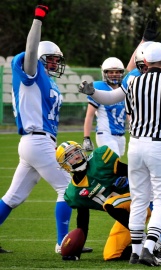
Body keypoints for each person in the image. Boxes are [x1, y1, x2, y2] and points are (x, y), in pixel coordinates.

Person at [78, 42, 161, 266]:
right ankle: (148, 247)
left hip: (136, 144)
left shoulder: (134, 82)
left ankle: (136, 252)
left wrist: (93, 91)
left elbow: (110, 98)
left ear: (144, 63)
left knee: (139, 199)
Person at [0, 4, 73, 254]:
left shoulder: (46, 80)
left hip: (38, 143)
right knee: (68, 189)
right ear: (40, 58)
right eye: (50, 59)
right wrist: (38, 20)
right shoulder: (30, 69)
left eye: (56, 59)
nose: (54, 63)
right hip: (37, 140)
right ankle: (62, 243)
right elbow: (31, 51)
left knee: (13, 197)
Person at [56, 141, 148, 261]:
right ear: (65, 165)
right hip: (127, 217)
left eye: (77, 151)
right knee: (111, 255)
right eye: (70, 156)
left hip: (140, 201)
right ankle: (150, 248)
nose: (76, 156)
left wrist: (127, 179)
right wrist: (75, 252)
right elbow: (83, 221)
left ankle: (144, 238)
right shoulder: (74, 193)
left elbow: (131, 171)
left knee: (110, 205)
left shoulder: (99, 159)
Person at [83, 57, 126, 156]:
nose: (114, 75)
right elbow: (90, 115)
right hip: (105, 134)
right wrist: (86, 137)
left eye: (117, 72)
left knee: (114, 167)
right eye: (111, 72)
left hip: (120, 135)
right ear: (104, 73)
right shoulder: (100, 88)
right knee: (114, 162)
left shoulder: (123, 89)